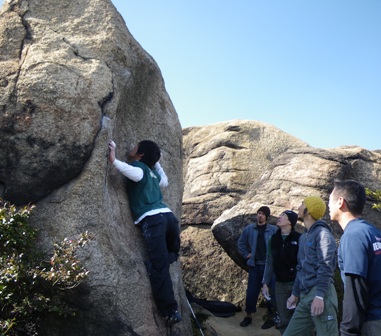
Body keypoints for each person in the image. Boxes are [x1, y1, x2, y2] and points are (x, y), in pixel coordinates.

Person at [108, 140, 182, 327]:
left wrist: (113, 157)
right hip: (169, 219)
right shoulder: (154, 174)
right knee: (173, 251)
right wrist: (156, 162)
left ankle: (169, 311)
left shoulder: (139, 168)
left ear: (140, 155)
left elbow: (125, 169)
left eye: (135, 147)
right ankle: (166, 257)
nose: (131, 147)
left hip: (154, 221)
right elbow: (165, 180)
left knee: (159, 268)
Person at [329, 179, 381, 336]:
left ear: (340, 202)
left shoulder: (352, 236)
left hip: (369, 323)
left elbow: (356, 288)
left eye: (329, 201)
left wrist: (348, 331)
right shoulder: (373, 232)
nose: (328, 206)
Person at [283, 196, 338, 336]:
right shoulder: (303, 237)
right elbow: (300, 268)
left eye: (302, 204)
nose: (299, 206)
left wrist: (319, 296)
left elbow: (326, 267)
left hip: (321, 295)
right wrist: (295, 293)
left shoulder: (323, 235)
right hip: (305, 295)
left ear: (309, 211)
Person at [237, 206, 278, 329]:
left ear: (267, 217)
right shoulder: (250, 229)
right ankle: (248, 316)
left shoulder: (273, 230)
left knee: (271, 292)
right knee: (251, 291)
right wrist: (247, 255)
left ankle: (271, 317)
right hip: (254, 265)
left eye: (262, 214)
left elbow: (278, 245)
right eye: (258, 213)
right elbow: (241, 243)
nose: (260, 216)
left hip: (268, 266)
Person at [262, 210, 301, 334]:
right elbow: (269, 262)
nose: (279, 217)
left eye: (283, 215)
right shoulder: (273, 239)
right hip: (280, 285)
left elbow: (303, 263)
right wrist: (265, 283)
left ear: (290, 222)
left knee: (299, 319)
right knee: (283, 319)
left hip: (297, 284)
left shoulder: (299, 238)